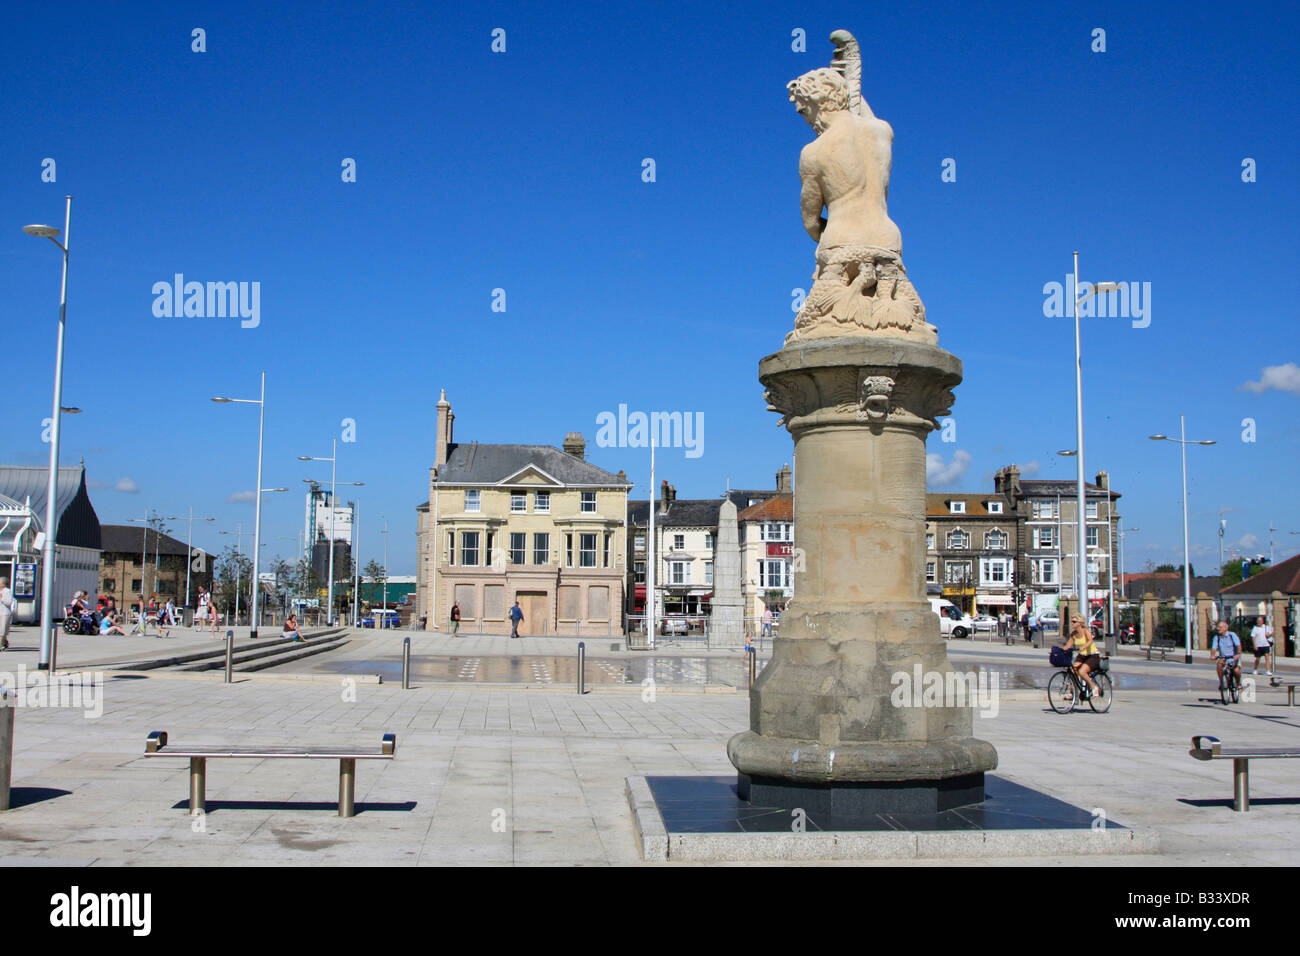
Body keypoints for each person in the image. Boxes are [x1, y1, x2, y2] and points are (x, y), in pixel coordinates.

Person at [1059, 616, 1104, 702]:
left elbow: (1090, 640)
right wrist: (1059, 651)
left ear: (1080, 623)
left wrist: (1084, 646)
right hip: (1082, 656)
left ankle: (1094, 688)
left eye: (1074, 621)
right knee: (1072, 671)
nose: (1072, 623)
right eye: (1072, 621)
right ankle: (1072, 693)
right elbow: (1068, 645)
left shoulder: (1085, 631)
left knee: (1082, 671)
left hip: (1092, 655)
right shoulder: (1073, 634)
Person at [1210, 620, 1243, 691]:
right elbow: (1214, 648)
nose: (1218, 629)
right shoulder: (1217, 637)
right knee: (1219, 664)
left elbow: (1238, 645)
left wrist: (1238, 654)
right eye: (1218, 627)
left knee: (1236, 671)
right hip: (1224, 658)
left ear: (1226, 628)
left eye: (1220, 627)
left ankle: (1238, 683)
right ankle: (1221, 682)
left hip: (1233, 657)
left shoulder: (1232, 635)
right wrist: (1212, 655)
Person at [0, 577, 14, 651]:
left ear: (3, 584)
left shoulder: (7, 591)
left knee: (2, 630)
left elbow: (9, 602)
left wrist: (2, 599)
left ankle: (1, 644)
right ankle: (4, 642)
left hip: (4, 613)